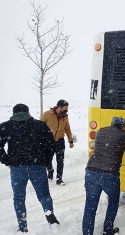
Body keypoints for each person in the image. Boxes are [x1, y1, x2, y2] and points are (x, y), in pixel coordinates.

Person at [0, 104, 60, 233]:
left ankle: (22, 226)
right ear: (28, 112)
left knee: (19, 198)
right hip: (37, 166)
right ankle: (51, 219)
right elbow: (51, 144)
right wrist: (45, 160)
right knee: (44, 195)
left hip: (17, 168)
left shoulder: (5, 126)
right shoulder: (40, 125)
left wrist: (7, 161)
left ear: (13, 112)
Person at [40, 99, 74, 185]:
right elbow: (39, 128)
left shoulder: (65, 116)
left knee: (60, 160)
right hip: (48, 141)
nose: (66, 110)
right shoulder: (47, 114)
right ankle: (50, 170)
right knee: (47, 160)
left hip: (60, 141)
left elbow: (67, 128)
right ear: (60, 107)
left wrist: (70, 141)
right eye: (65, 108)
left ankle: (59, 178)